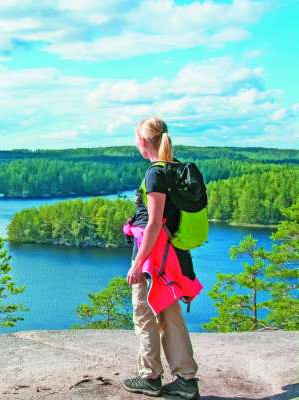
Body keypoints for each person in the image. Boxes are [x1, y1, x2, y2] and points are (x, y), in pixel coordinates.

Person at [123, 117, 200, 399]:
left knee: (144, 315)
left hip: (152, 258)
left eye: (136, 140)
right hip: (172, 257)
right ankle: (186, 380)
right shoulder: (177, 168)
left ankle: (150, 377)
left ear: (144, 142)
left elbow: (154, 224)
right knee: (170, 313)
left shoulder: (154, 174)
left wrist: (135, 264)